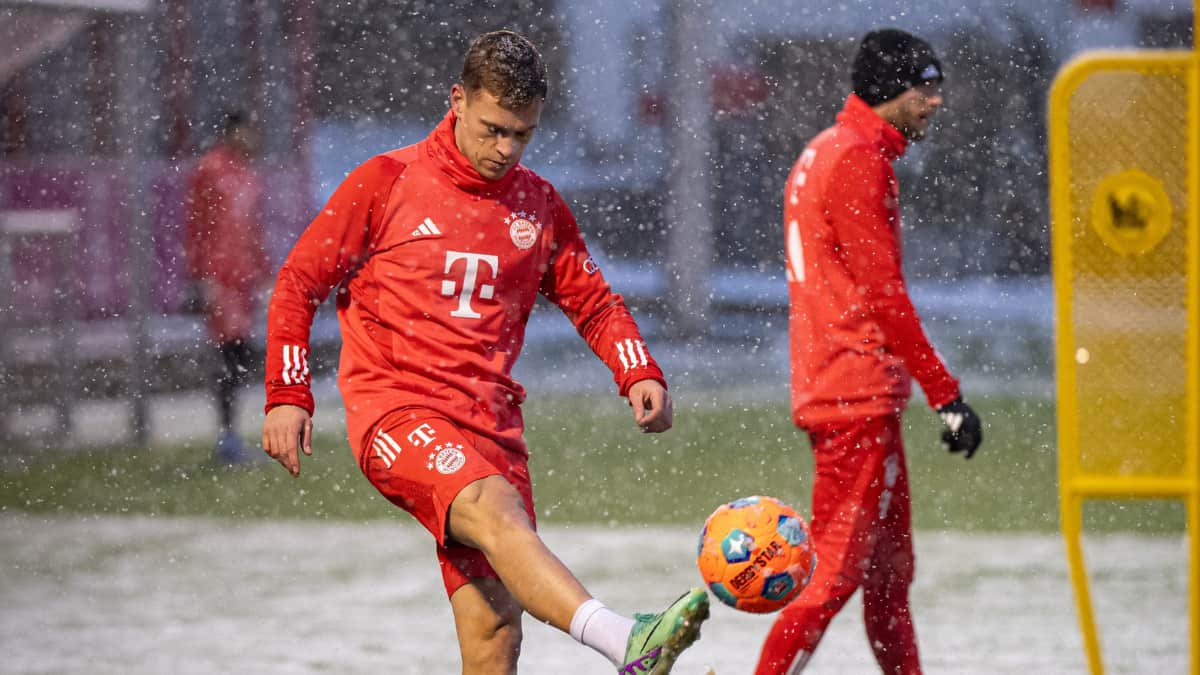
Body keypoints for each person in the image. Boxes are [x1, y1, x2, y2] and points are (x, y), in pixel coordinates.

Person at [260, 30, 708, 675]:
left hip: (492, 423)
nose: (505, 149)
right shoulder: (386, 182)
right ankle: (625, 640)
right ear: (457, 101)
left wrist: (637, 369)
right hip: (400, 412)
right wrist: (287, 393)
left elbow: (594, 301)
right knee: (496, 514)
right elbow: (299, 281)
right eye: (493, 128)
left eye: (521, 135)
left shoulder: (539, 205)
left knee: (494, 631)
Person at [755, 29, 984, 674]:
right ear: (892, 90)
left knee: (888, 577)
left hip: (837, 387)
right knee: (830, 573)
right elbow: (884, 294)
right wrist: (947, 394)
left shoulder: (826, 149)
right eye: (926, 87)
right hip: (855, 394)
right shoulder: (859, 158)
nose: (936, 102)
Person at [184, 110, 270, 465]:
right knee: (230, 353)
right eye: (246, 130)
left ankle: (232, 437)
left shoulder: (248, 176)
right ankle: (228, 439)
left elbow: (252, 229)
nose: (251, 138)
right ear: (232, 132)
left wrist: (264, 273)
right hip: (219, 279)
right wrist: (201, 276)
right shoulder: (210, 170)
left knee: (241, 354)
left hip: (243, 278)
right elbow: (196, 225)